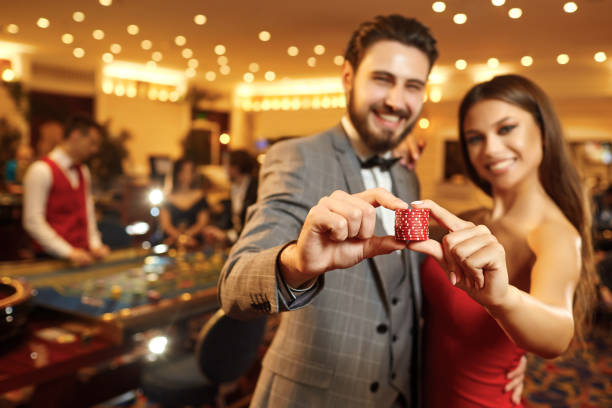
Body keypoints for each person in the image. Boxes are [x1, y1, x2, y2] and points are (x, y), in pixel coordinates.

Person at [406, 75, 598, 407]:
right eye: (475, 138)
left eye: (506, 129)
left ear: (543, 131)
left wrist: (503, 300)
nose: (491, 149)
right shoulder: (475, 219)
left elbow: (559, 332)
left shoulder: (553, 232)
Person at [23, 115, 110, 266]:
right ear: (75, 136)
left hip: (82, 257)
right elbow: (33, 221)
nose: (94, 149)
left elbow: (87, 212)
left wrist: (95, 244)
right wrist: (68, 252)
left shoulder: (83, 171)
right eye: (92, 143)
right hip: (50, 260)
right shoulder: (40, 170)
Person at [202, 149, 259, 245]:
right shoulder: (234, 187)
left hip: (251, 242)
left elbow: (254, 223)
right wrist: (216, 230)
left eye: (225, 164)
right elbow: (231, 219)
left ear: (235, 167)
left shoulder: (256, 188)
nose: (224, 169)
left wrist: (227, 235)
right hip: (236, 242)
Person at [159, 158, 210, 248]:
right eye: (184, 171)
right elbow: (166, 225)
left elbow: (202, 223)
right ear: (177, 173)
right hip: (172, 243)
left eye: (190, 171)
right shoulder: (167, 198)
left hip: (195, 243)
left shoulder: (200, 196)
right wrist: (180, 238)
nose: (187, 174)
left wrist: (185, 237)